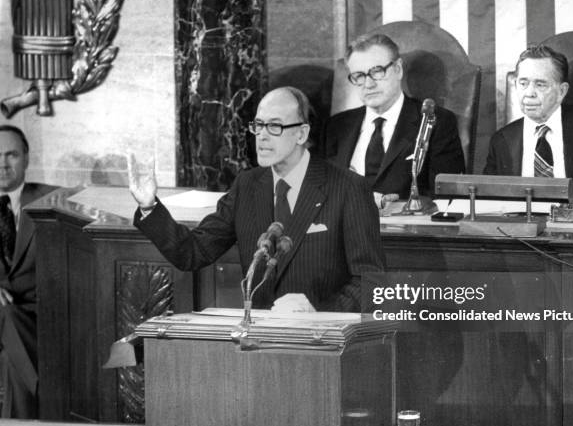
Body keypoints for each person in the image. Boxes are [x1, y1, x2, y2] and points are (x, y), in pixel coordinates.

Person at [129, 87, 385, 312]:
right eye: (258, 125)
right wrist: (149, 206)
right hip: (260, 340)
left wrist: (318, 311)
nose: (262, 136)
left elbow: (372, 283)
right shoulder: (247, 185)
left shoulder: (348, 188)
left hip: (324, 340)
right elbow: (193, 253)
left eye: (274, 126)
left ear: (301, 134)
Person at [321, 33, 465, 205]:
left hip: (404, 228)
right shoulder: (336, 126)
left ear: (398, 69)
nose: (368, 84)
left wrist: (391, 205)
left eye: (377, 72)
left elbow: (446, 197)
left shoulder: (434, 122)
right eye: (359, 76)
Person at [484, 45, 573, 197]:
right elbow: (489, 199)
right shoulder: (501, 140)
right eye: (523, 83)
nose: (529, 93)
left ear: (562, 91)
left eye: (540, 84)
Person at [0, 125, 56, 418]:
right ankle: (52, 402)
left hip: (36, 317)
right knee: (6, 314)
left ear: (26, 158)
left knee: (12, 356)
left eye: (11, 155)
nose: (3, 164)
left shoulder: (53, 200)